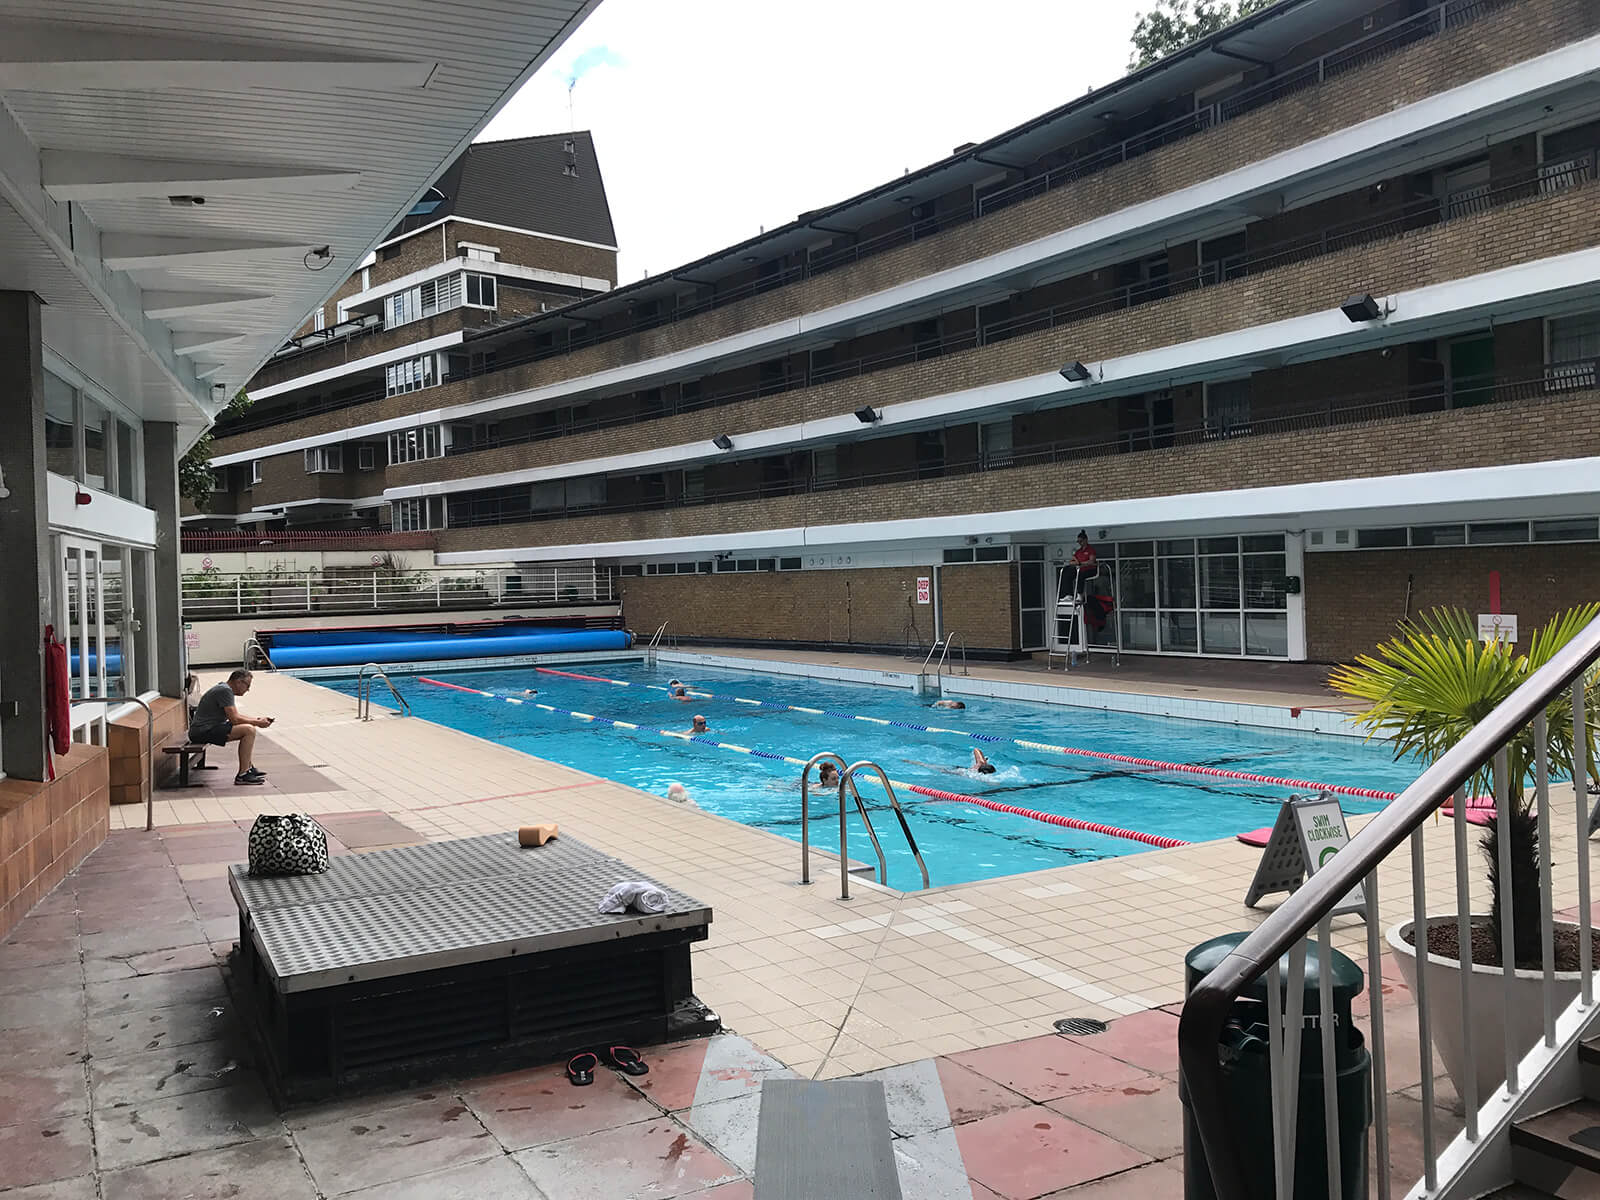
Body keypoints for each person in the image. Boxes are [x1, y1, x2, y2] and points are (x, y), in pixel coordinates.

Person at [188, 669, 274, 786]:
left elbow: (236, 716)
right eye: (247, 685)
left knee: (249, 728)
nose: (248, 689)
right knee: (249, 730)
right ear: (239, 682)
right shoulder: (224, 691)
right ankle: (243, 775)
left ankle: (248, 767)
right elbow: (235, 719)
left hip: (206, 728)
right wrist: (257, 723)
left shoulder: (224, 689)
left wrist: (256, 720)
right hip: (202, 731)